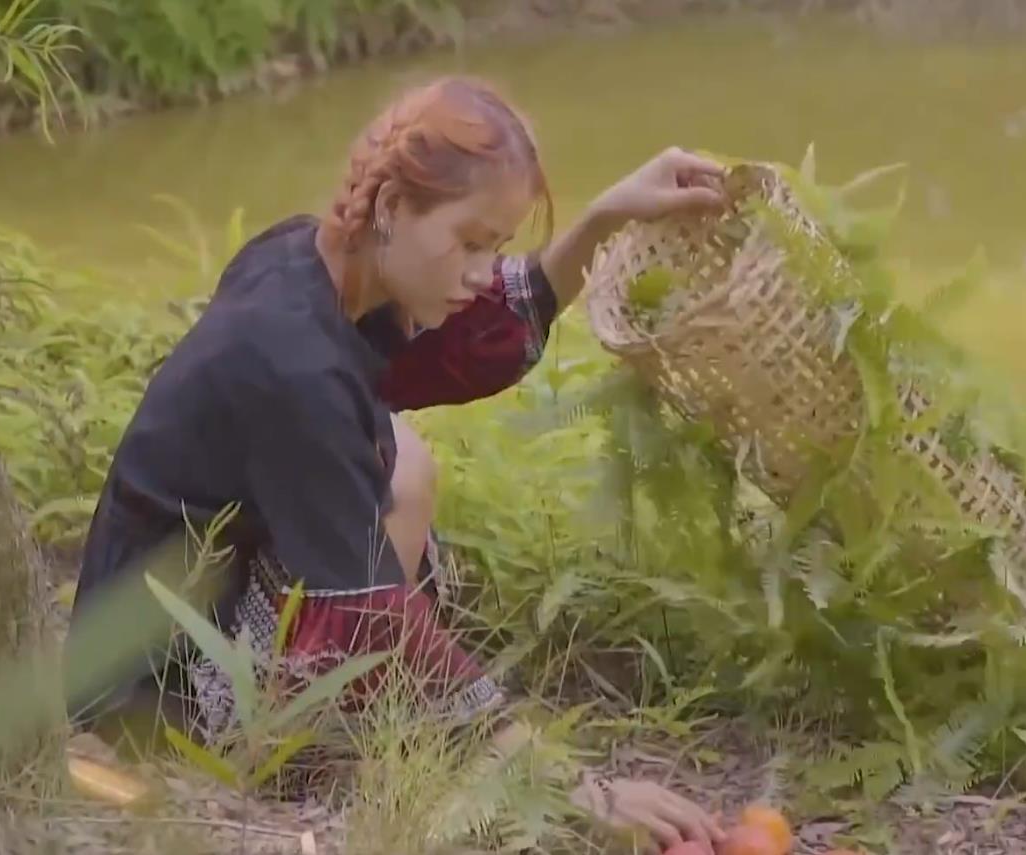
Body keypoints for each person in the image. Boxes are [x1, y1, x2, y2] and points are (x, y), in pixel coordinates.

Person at [65, 76, 731, 849]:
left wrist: (605, 217)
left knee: (397, 457)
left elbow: (465, 345)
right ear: (389, 210)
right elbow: (378, 619)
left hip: (191, 599)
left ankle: (333, 725)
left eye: (497, 247)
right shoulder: (290, 363)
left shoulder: (309, 259)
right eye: (471, 242)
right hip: (154, 687)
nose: (483, 270)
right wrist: (581, 788)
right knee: (395, 486)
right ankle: (288, 757)